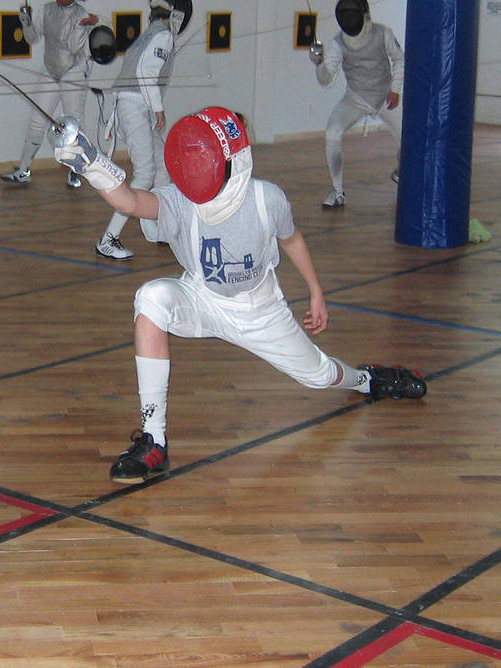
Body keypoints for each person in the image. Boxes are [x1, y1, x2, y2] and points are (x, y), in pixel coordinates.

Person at [53, 107, 426, 484]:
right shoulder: (182, 201)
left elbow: (292, 239)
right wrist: (91, 163)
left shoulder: (267, 199)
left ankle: (368, 380)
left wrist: (316, 291)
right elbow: (131, 201)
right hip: (203, 297)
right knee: (152, 297)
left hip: (260, 310)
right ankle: (154, 440)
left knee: (319, 375)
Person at [94, 0, 193, 260]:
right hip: (134, 106)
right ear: (178, 14)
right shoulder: (162, 35)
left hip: (135, 106)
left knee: (163, 164)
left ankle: (159, 228)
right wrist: (159, 109)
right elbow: (145, 72)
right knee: (145, 173)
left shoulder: (151, 33)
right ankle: (108, 238)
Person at [0, 0, 100, 188]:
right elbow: (32, 38)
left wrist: (82, 26)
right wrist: (26, 20)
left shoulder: (81, 15)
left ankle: (76, 171)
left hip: (73, 71)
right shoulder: (46, 10)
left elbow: (73, 48)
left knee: (74, 122)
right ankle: (24, 169)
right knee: (38, 118)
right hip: (50, 70)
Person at [310, 0, 405, 209]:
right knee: (332, 132)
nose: (349, 20)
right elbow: (327, 80)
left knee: (410, 141)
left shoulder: (383, 33)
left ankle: (403, 170)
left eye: (352, 15)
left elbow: (399, 59)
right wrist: (318, 64)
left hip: (385, 97)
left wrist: (395, 89)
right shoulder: (338, 43)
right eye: (345, 16)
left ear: (364, 15)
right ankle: (337, 192)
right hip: (356, 98)